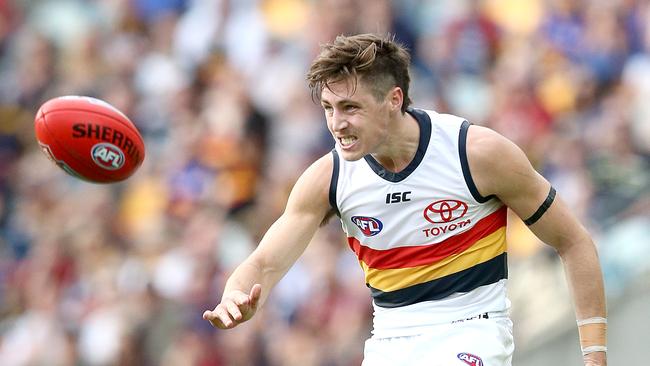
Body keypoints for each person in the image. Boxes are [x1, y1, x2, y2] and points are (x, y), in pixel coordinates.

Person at [203, 33, 607, 366]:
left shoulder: (476, 153)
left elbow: (573, 241)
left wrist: (594, 356)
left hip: (472, 328)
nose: (336, 124)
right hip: (390, 340)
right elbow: (264, 263)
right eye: (328, 108)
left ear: (394, 99)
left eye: (350, 107)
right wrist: (235, 294)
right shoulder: (329, 177)